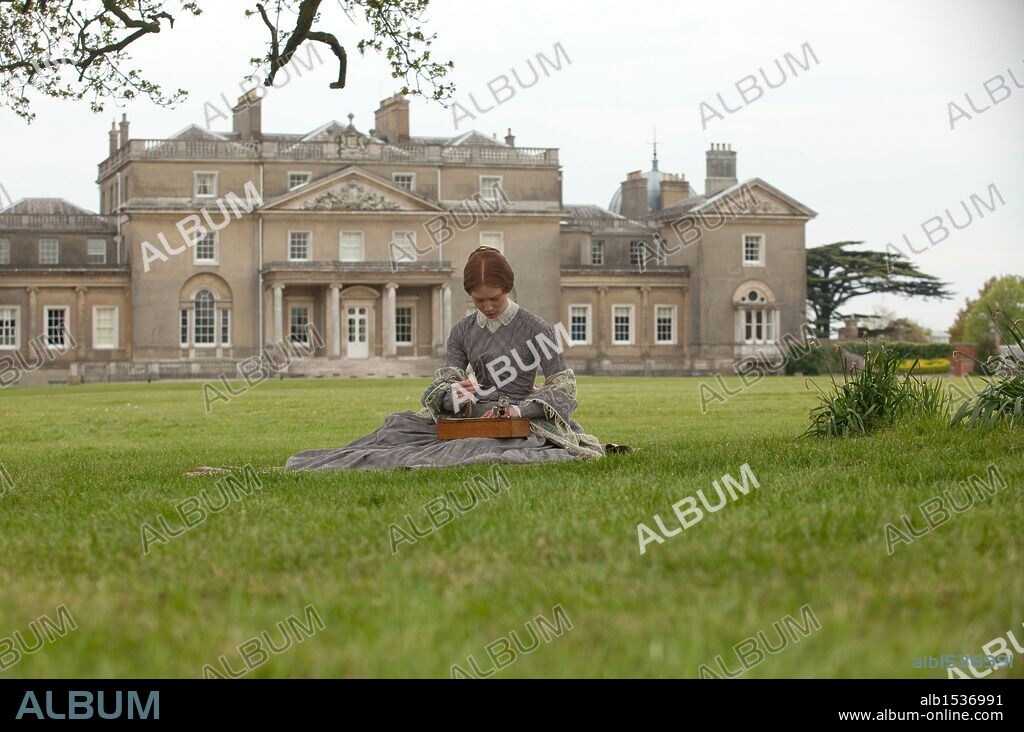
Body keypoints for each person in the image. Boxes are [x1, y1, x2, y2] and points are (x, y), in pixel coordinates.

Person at [284, 246, 606, 471]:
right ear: (469, 296)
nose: (488, 307)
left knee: (483, 449)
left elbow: (562, 387)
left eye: (494, 298)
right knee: (396, 430)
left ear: (508, 288)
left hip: (518, 418)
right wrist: (457, 394)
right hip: (470, 415)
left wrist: (518, 409)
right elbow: (447, 383)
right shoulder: (461, 331)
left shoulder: (537, 329)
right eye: (479, 301)